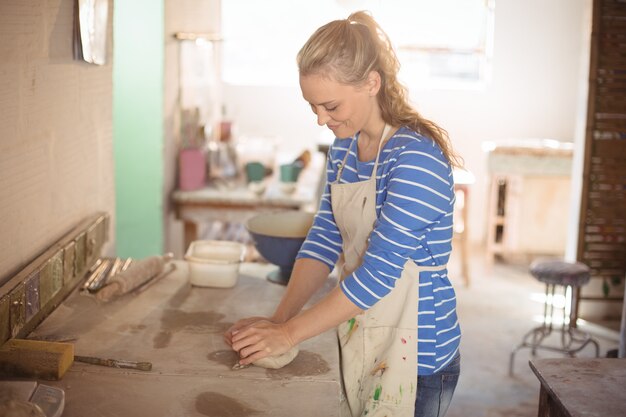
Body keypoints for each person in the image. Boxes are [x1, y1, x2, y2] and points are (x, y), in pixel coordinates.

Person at [225, 10, 462, 417]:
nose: (321, 119)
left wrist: (288, 334)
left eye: (330, 105)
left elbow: (379, 273)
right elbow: (324, 238)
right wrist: (279, 321)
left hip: (418, 356)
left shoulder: (415, 160)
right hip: (361, 330)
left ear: (372, 83)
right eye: (312, 106)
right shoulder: (345, 150)